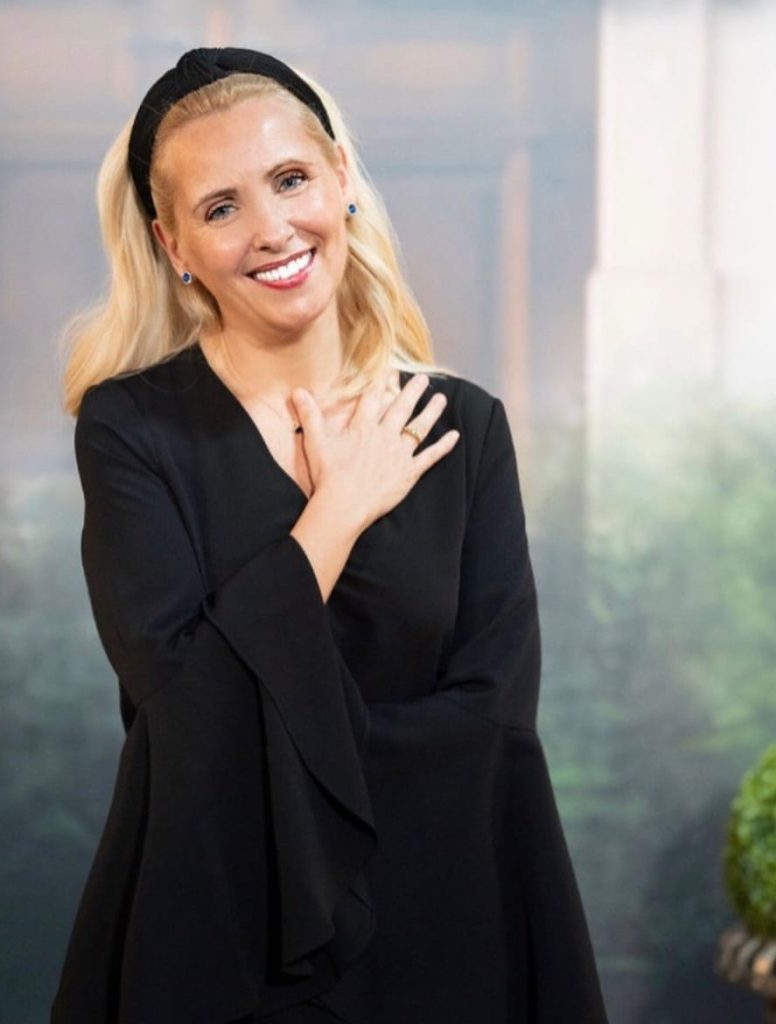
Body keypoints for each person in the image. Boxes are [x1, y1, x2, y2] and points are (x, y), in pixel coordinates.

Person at [50, 47, 609, 1024]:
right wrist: (337, 512)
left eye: (290, 179)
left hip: (439, 935)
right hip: (217, 937)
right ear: (174, 244)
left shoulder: (463, 429)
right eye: (221, 207)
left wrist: (270, 738)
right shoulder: (129, 429)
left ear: (340, 177)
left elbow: (492, 727)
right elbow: (182, 710)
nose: (272, 229)